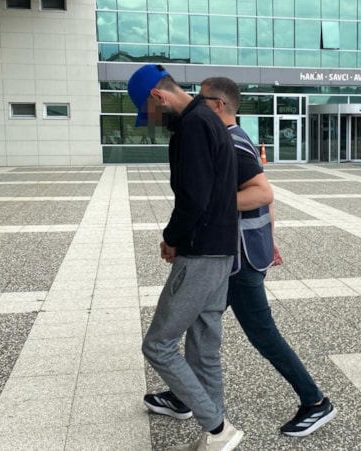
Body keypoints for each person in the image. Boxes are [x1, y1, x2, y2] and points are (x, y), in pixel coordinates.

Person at [143, 76, 337, 438]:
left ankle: (315, 401)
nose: (195, 103)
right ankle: (189, 395)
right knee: (201, 328)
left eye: (202, 99)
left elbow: (262, 192)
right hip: (237, 251)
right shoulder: (225, 136)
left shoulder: (230, 140)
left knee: (260, 333)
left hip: (239, 259)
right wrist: (270, 238)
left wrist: (211, 206)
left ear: (218, 106)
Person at [129, 64, 243, 451]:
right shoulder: (211, 121)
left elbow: (194, 198)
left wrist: (171, 238)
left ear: (158, 97)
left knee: (158, 345)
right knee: (203, 348)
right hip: (221, 251)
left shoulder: (193, 126)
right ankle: (216, 437)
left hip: (200, 255)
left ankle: (217, 427)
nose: (152, 121)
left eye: (149, 113)